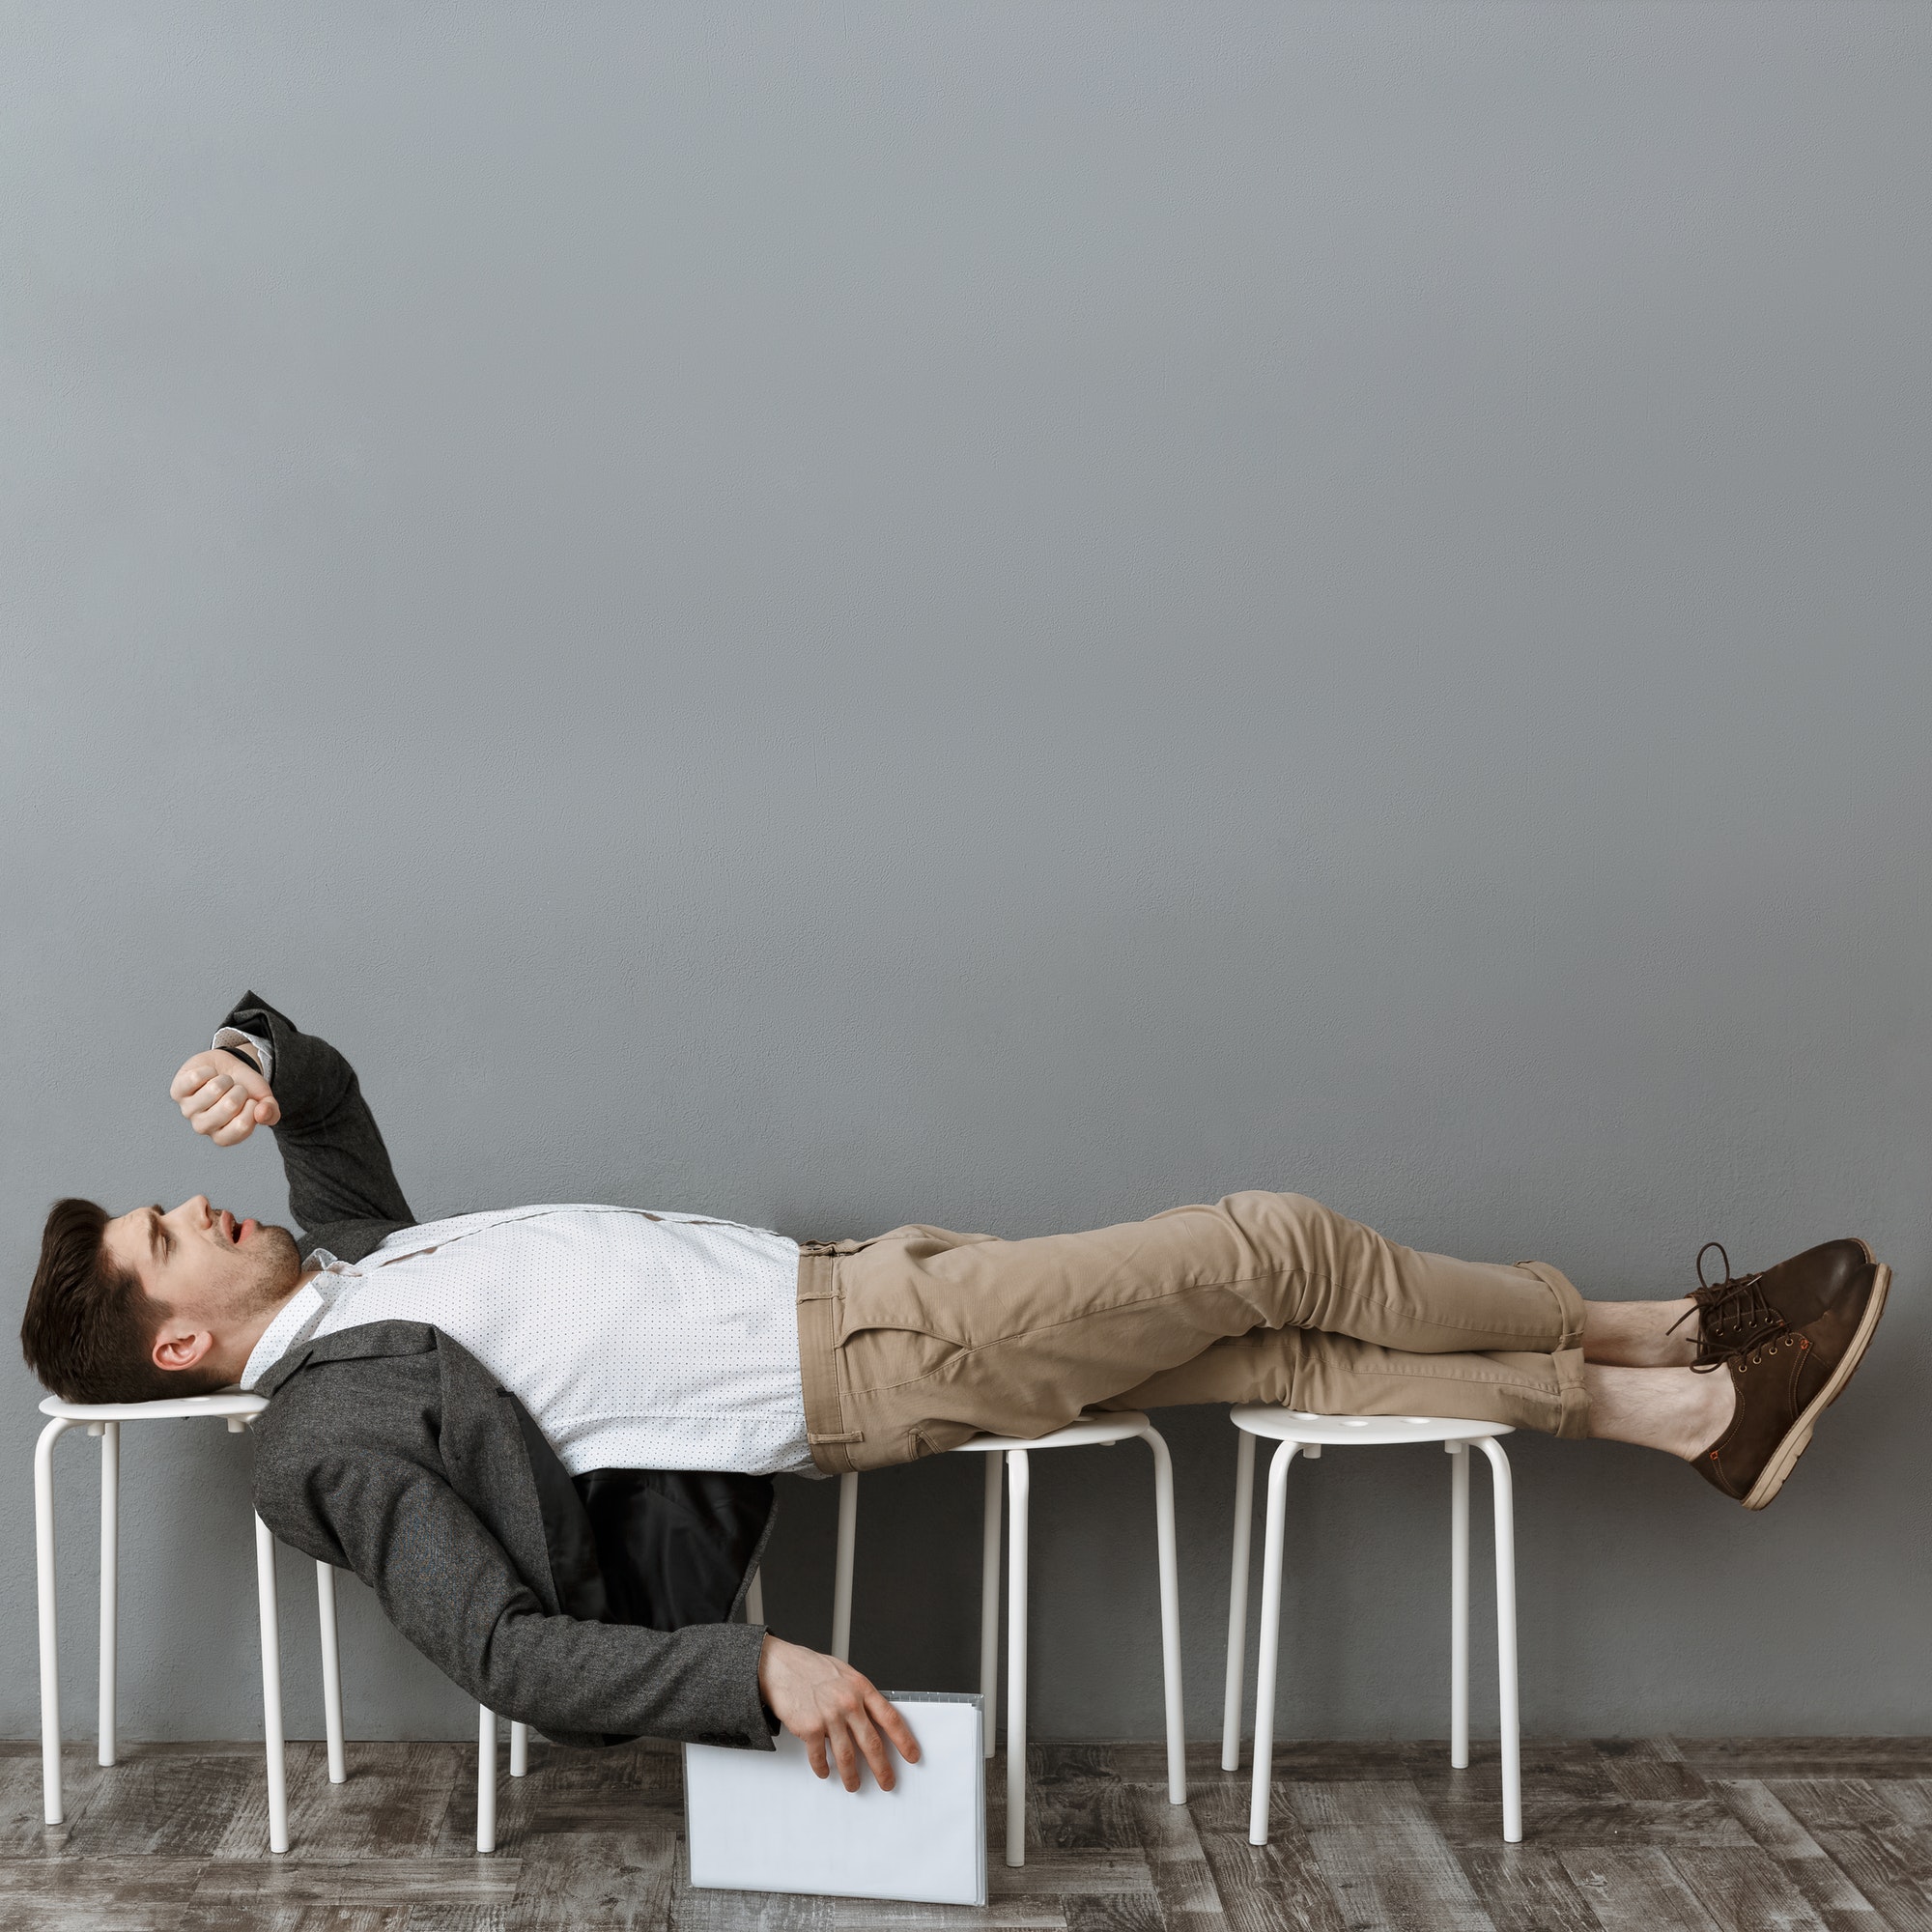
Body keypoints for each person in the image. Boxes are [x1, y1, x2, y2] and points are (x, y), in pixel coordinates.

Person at [20, 994, 1889, 1795]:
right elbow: (502, 1651)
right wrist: (754, 1671)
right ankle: (1659, 1332)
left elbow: (330, 1118)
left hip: (865, 1293)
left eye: (169, 1200)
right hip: (861, 1360)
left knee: (1276, 1347)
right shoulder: (328, 1438)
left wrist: (259, 1053)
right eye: (160, 1242)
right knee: (1269, 1240)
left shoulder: (354, 1269)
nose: (191, 1207)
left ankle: (1690, 1420)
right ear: (179, 1340)